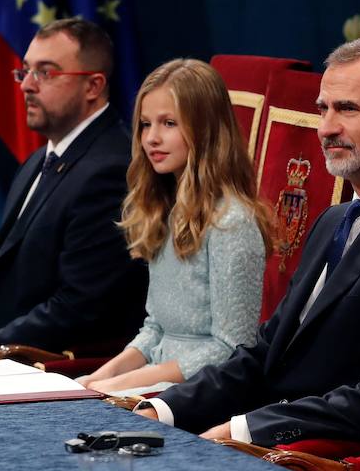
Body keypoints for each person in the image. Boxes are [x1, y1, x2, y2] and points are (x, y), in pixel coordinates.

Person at [134, 37, 360, 447]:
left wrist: (244, 430)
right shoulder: (334, 219)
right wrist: (165, 408)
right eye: (323, 109)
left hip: (327, 466)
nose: (326, 128)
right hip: (267, 439)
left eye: (347, 109)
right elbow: (266, 352)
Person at [0, 18, 145, 355]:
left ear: (93, 86)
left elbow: (76, 307)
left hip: (44, 368)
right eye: (24, 71)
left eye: (46, 73)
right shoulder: (40, 158)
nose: (26, 85)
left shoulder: (110, 171)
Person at [78, 59, 270, 395]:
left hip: (203, 391)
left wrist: (120, 385)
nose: (151, 138)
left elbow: (231, 348)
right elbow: (154, 330)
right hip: (154, 384)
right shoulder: (165, 210)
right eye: (145, 124)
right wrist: (94, 379)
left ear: (206, 129)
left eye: (169, 123)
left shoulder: (231, 222)